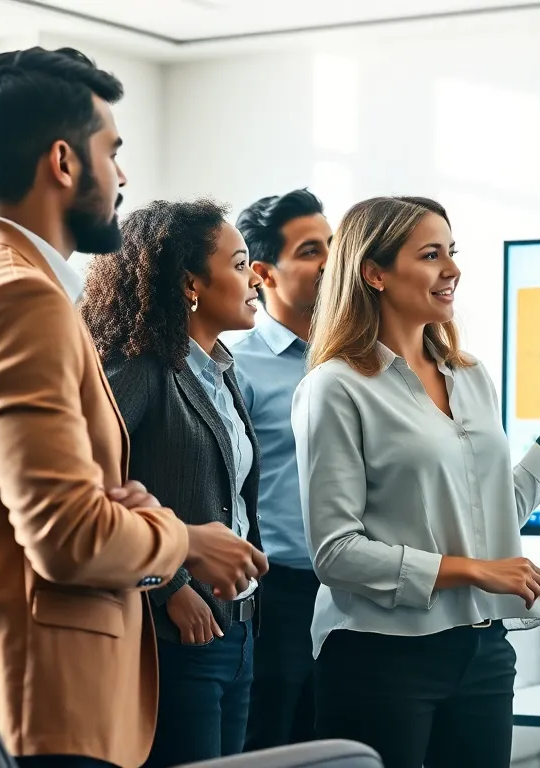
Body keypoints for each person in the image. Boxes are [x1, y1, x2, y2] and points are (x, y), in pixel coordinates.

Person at [0, 47, 266, 768]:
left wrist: (122, 511)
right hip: (47, 702)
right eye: (112, 151)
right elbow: (67, 535)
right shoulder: (19, 297)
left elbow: (48, 510)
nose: (122, 175)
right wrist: (179, 537)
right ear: (64, 161)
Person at [292, 195, 540, 767]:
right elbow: (336, 552)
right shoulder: (335, 387)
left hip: (482, 649)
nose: (452, 269)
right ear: (373, 272)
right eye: (431, 255)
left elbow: (489, 513)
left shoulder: (470, 376)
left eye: (452, 252)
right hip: (381, 656)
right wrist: (474, 570)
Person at [80, 199, 266, 767]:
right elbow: (91, 486)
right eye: (238, 265)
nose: (254, 277)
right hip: (174, 635)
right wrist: (169, 584)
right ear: (192, 283)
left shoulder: (222, 371)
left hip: (237, 632)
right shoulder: (138, 369)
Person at [227, 189, 334, 751]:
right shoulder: (234, 366)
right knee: (273, 745)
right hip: (278, 594)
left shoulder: (358, 360)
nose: (331, 262)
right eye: (313, 250)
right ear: (263, 272)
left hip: (355, 589)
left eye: (334, 246)